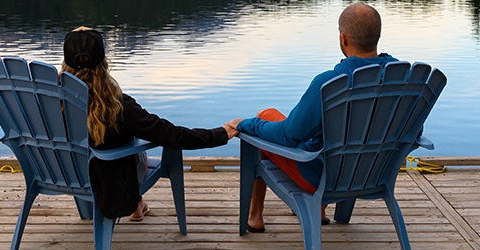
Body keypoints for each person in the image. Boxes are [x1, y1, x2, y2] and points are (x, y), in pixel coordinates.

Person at [235, 2, 398, 232]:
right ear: (377, 36)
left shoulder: (330, 83)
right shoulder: (402, 80)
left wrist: (245, 124)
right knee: (317, 132)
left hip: (322, 179)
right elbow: (413, 133)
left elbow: (288, 136)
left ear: (343, 38)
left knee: (265, 119)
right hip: (375, 173)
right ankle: (319, 211)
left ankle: (254, 218)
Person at [62, 26, 242, 221]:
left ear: (66, 61)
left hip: (68, 173)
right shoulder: (117, 106)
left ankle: (137, 204)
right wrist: (221, 133)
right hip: (115, 183)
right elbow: (171, 135)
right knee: (141, 144)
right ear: (104, 61)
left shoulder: (50, 100)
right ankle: (136, 202)